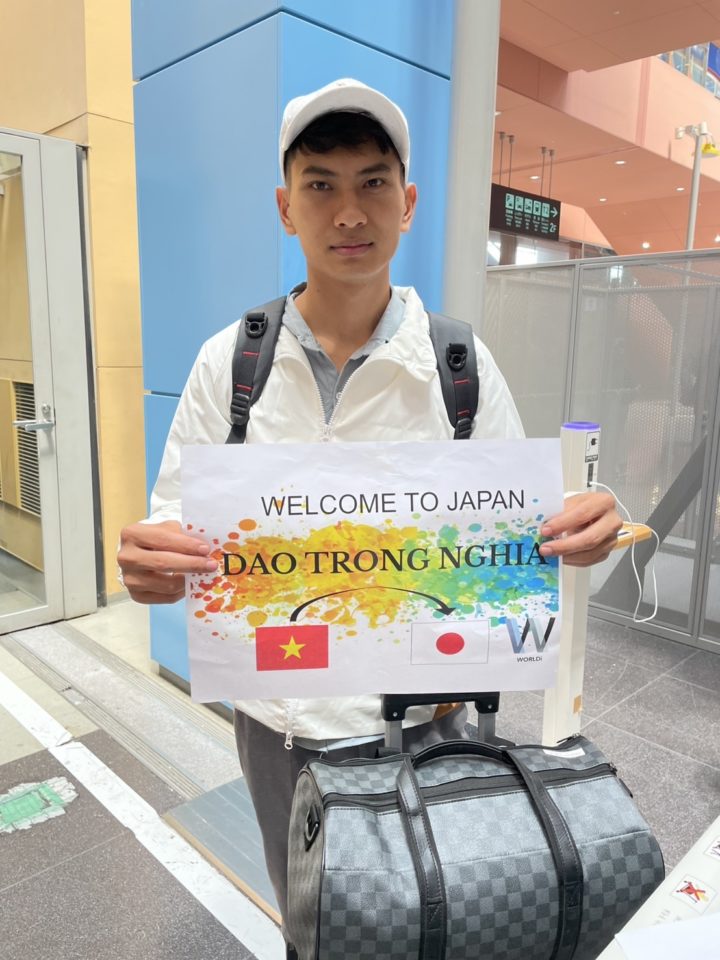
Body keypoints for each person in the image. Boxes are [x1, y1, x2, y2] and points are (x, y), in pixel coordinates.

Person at [118, 78, 622, 931]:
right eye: (320, 185)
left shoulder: (459, 365)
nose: (349, 212)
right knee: (310, 922)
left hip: (428, 723)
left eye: (373, 182)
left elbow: (530, 526)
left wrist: (591, 522)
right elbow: (174, 521)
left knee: (440, 919)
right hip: (279, 726)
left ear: (408, 203)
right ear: (286, 208)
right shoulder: (230, 365)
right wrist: (153, 563)